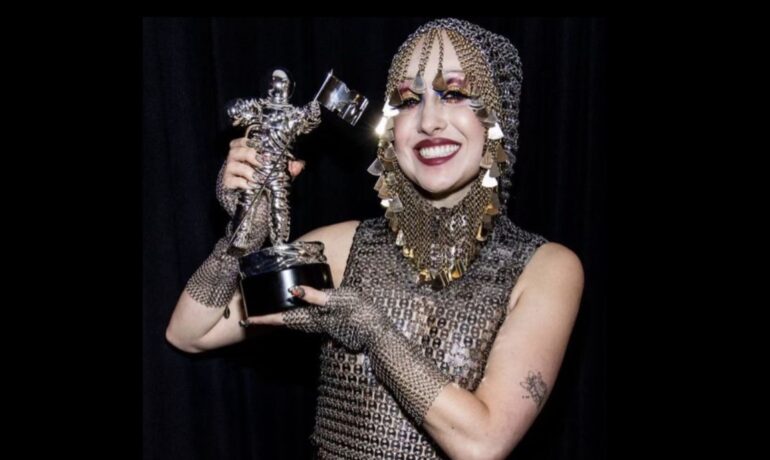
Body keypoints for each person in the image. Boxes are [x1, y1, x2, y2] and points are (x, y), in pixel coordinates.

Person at [167, 18, 583, 459]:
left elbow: (482, 445)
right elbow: (191, 332)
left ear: (499, 117)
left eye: (455, 94)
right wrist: (242, 234)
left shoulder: (544, 268)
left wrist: (371, 331)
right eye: (407, 100)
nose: (428, 120)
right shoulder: (345, 247)